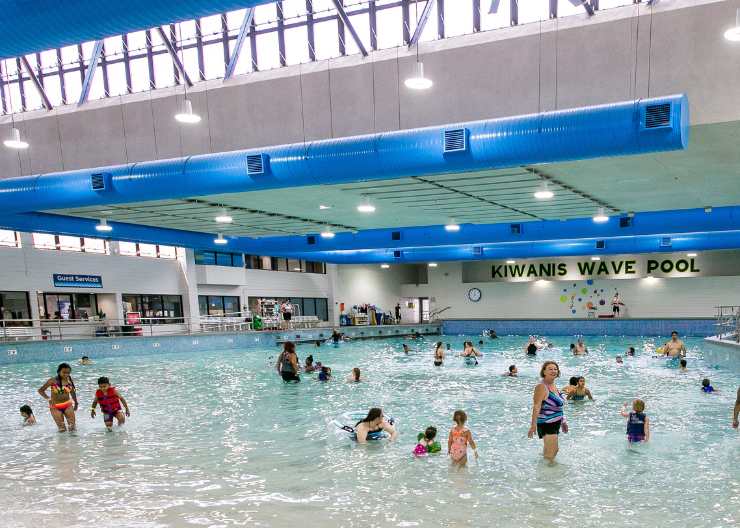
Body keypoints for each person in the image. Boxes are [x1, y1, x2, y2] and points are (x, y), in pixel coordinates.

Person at [527, 361, 567, 460]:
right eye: (550, 369)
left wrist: (563, 421)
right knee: (553, 451)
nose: (553, 371)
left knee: (547, 451)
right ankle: (550, 472)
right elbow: (537, 406)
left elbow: (556, 407)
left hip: (555, 421)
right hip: (546, 422)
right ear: (544, 372)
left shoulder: (553, 385)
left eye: (555, 369)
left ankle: (541, 469)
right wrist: (532, 426)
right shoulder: (541, 386)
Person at [38, 363, 79, 432]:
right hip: (55, 406)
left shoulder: (69, 380)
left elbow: (72, 392)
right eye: (64, 373)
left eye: (68, 373)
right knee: (62, 429)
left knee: (72, 428)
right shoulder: (53, 380)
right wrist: (49, 399)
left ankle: (74, 442)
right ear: (59, 372)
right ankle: (62, 442)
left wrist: (76, 403)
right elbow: (41, 390)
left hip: (67, 404)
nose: (66, 374)